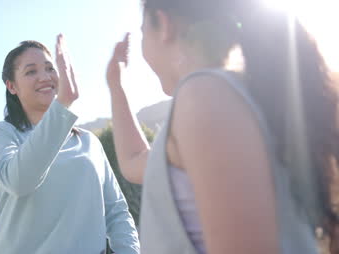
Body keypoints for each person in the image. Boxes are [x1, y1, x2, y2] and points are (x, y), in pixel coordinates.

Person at [106, 1, 339, 253]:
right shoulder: (237, 96)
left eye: (143, 32)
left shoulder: (203, 96)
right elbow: (133, 162)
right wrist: (116, 86)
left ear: (163, 25)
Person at [0, 34, 140, 254]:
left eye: (50, 68)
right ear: (11, 86)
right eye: (31, 71)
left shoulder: (88, 141)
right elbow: (20, 182)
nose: (45, 76)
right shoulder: (1, 134)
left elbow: (116, 211)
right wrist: (63, 103)